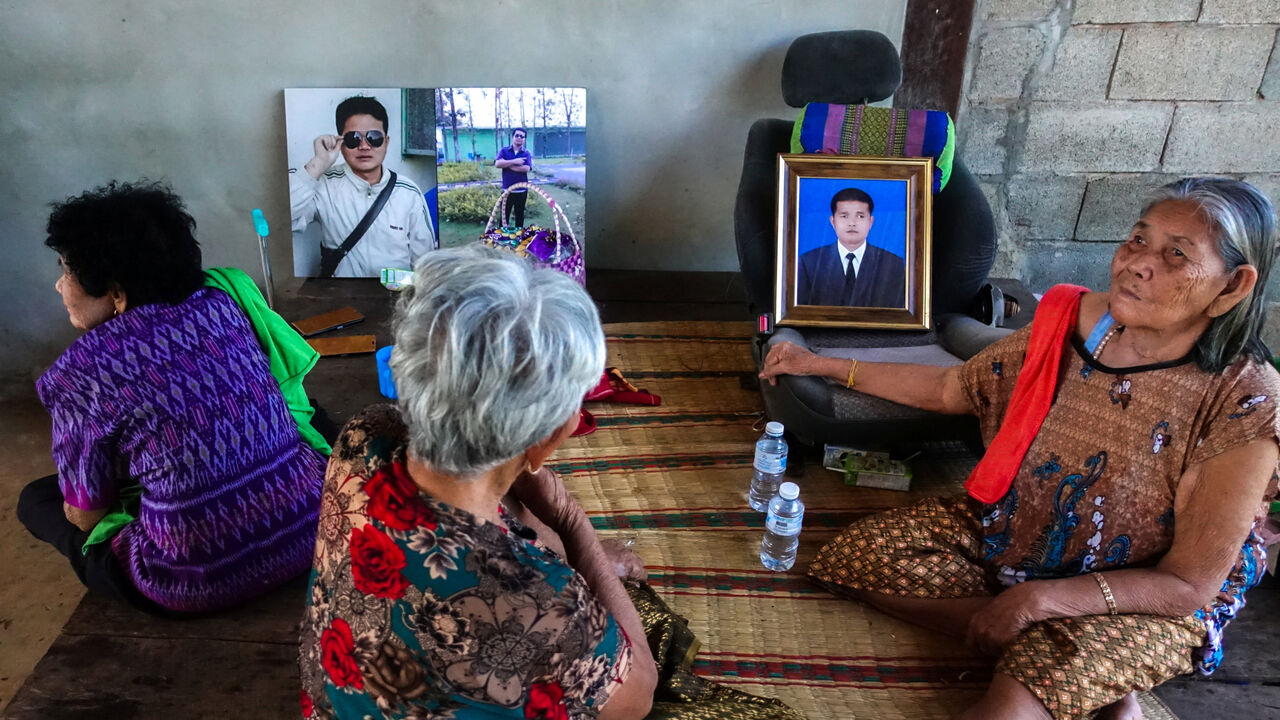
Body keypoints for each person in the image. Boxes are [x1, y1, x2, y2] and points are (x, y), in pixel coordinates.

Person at [760, 177, 1279, 720]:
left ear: (1233, 286)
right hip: (1016, 529)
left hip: (1143, 596)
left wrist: (1042, 601)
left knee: (1011, 705)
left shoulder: (1246, 399)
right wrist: (820, 365)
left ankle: (1056, 659)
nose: (1138, 264)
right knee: (855, 558)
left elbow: (1187, 585)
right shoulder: (1074, 321)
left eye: (1176, 255)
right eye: (1137, 240)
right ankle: (1060, 661)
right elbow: (951, 388)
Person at [298, 247, 658, 719]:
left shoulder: (363, 436)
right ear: (545, 442)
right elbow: (638, 695)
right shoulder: (542, 606)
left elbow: (488, 521)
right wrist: (573, 524)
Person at [17, 181, 330, 615]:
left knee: (37, 500)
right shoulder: (222, 304)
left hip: (194, 582)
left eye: (66, 271)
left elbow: (87, 515)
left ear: (115, 291)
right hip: (311, 532)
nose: (59, 286)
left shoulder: (80, 373)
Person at [290, 95, 435, 277]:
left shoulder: (408, 192)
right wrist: (318, 163)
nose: (364, 146)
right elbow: (283, 219)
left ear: (386, 142)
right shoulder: (324, 185)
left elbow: (425, 262)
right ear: (340, 143)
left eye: (374, 138)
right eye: (354, 138)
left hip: (394, 297)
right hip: (341, 298)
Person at [796, 187, 906, 308]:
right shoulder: (809, 262)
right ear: (833, 222)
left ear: (871, 222)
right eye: (844, 216)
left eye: (860, 216)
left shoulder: (892, 264)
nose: (852, 223)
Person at [494, 127, 533, 227]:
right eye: (517, 135)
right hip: (506, 190)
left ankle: (519, 237)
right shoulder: (504, 151)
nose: (519, 138)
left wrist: (507, 164)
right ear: (512, 137)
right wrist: (514, 162)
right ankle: (502, 237)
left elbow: (526, 168)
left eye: (522, 136)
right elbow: (498, 164)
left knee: (519, 215)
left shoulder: (526, 153)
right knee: (504, 216)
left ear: (524, 139)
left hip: (521, 191)